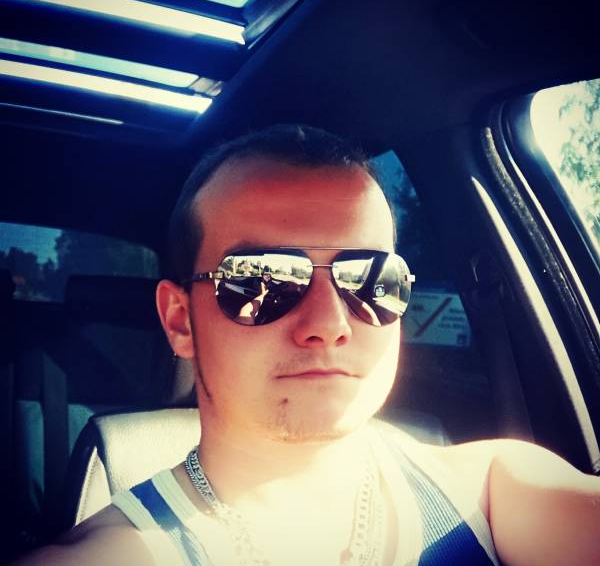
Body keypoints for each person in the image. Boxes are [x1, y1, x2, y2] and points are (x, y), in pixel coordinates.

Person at [13, 125, 600, 565]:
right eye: (262, 280)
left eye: (369, 279)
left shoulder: (493, 490)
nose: (330, 323)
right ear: (180, 320)